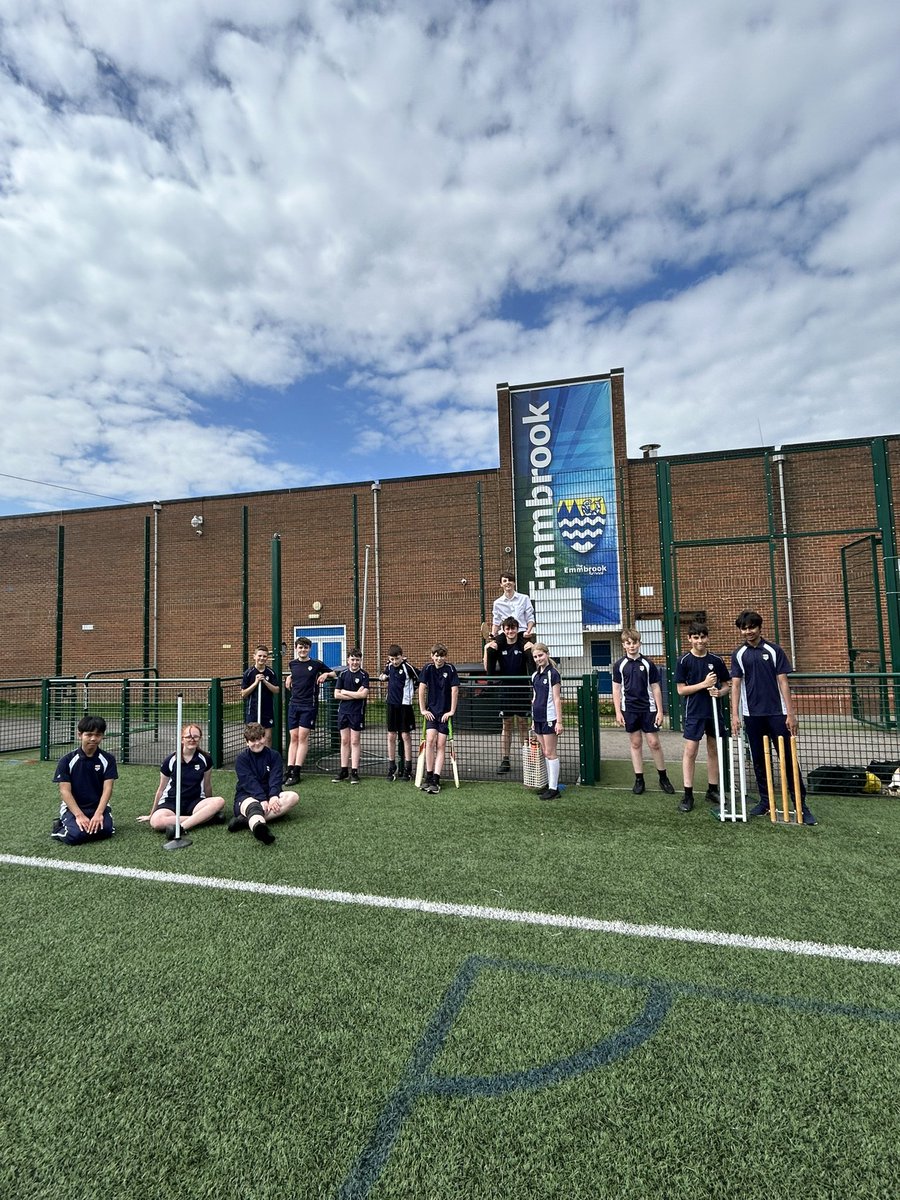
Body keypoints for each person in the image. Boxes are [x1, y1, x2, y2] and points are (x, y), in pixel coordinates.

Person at [730, 610, 816, 825]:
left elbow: (783, 682)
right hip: (752, 716)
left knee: (787, 759)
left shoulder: (774, 650)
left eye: (752, 627)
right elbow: (736, 685)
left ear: (760, 627)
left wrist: (791, 713)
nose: (748, 631)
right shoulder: (739, 654)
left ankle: (800, 805)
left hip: (778, 714)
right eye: (744, 628)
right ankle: (766, 801)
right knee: (759, 760)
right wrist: (734, 715)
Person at [674, 620, 730, 812]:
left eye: (703, 637)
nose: (700, 641)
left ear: (707, 637)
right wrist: (703, 684)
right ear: (689, 639)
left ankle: (712, 789)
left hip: (713, 712)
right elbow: (681, 690)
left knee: (713, 749)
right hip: (694, 712)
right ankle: (688, 794)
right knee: (691, 751)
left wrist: (720, 692)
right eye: (696, 637)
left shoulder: (716, 660)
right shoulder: (684, 661)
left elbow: (727, 685)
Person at [612, 628, 675, 795]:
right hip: (629, 709)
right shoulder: (619, 665)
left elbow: (655, 687)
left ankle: (663, 777)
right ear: (624, 645)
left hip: (649, 709)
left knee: (654, 742)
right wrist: (618, 711)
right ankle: (639, 779)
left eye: (634, 642)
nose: (632, 646)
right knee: (635, 743)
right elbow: (616, 689)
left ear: (639, 643)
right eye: (628, 643)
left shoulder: (648, 664)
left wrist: (660, 711)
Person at [138, 723, 226, 836]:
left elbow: (207, 785)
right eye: (188, 737)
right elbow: (161, 789)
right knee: (156, 821)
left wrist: (210, 808)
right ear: (182, 739)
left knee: (219, 801)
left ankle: (182, 827)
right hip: (171, 802)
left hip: (195, 802)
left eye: (195, 736)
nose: (192, 739)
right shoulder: (170, 760)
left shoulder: (205, 759)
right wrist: (151, 814)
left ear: (200, 738)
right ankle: (204, 819)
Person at [51, 714, 117, 845]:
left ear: (102, 736)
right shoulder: (67, 760)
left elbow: (108, 788)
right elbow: (65, 791)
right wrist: (79, 816)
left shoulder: (108, 759)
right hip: (73, 808)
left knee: (107, 831)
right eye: (89, 734)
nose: (93, 738)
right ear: (80, 735)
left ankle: (96, 821)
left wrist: (99, 814)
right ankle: (58, 827)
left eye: (98, 735)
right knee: (75, 836)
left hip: (97, 807)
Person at [228, 722, 300, 843]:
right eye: (252, 740)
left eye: (259, 738)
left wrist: (273, 796)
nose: (257, 743)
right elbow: (249, 782)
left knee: (293, 797)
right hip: (246, 796)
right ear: (247, 742)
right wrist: (261, 799)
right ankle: (259, 829)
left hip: (269, 795)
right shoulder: (242, 758)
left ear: (264, 737)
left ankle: (245, 821)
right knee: (253, 805)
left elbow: (275, 778)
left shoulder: (274, 755)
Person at [484, 616, 534, 773]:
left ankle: (528, 759)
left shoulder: (523, 645)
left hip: (522, 690)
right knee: (506, 725)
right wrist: (487, 649)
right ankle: (505, 760)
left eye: (513, 628)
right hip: (506, 690)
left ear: (517, 629)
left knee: (523, 724)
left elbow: (534, 662)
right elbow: (488, 667)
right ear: (504, 630)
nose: (511, 631)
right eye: (508, 628)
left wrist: (531, 649)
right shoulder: (499, 645)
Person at [284, 636, 336, 785]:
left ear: (309, 649)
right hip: (294, 704)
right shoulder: (292, 664)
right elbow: (296, 675)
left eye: (305, 647)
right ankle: (289, 769)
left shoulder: (316, 664)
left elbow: (334, 673)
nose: (303, 650)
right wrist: (289, 676)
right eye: (300, 647)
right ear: (296, 649)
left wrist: (326, 674)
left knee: (302, 737)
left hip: (309, 705)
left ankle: (297, 772)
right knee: (293, 737)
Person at [417, 644, 459, 795]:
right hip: (432, 713)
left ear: (445, 657)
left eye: (442, 656)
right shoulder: (427, 669)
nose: (439, 658)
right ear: (432, 655)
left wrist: (451, 711)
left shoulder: (450, 669)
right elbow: (421, 688)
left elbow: (455, 690)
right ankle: (428, 776)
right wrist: (423, 709)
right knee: (430, 741)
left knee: (441, 745)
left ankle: (436, 779)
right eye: (436, 655)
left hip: (445, 714)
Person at [378, 644, 418, 781]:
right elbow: (384, 674)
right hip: (391, 705)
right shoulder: (389, 666)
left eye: (397, 658)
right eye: (392, 659)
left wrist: (412, 692)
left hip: (405, 706)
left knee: (405, 736)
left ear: (401, 656)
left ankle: (408, 768)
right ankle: (391, 767)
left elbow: (420, 679)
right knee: (391, 736)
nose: (394, 661)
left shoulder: (408, 668)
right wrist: (383, 676)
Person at [530, 642, 563, 800]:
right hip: (538, 718)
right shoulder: (535, 675)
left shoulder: (553, 674)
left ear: (547, 654)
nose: (538, 659)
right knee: (545, 752)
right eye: (535, 657)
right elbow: (534, 698)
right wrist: (532, 719)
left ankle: (554, 788)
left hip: (550, 718)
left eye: (540, 655)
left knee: (551, 752)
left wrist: (559, 721)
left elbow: (557, 699)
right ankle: (549, 785)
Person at [332, 649, 370, 784]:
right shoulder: (342, 675)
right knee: (344, 741)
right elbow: (336, 694)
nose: (354, 662)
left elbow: (363, 695)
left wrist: (346, 692)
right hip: (343, 711)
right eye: (352, 659)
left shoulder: (364, 675)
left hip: (356, 712)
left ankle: (354, 771)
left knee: (355, 741)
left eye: (357, 660)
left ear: (360, 661)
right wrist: (355, 694)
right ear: (348, 660)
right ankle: (343, 770)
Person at [240, 645, 280, 745]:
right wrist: (255, 683)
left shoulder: (270, 672)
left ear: (267, 658)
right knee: (251, 737)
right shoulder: (248, 673)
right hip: (253, 710)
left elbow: (276, 690)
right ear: (254, 656)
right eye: (260, 656)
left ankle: (266, 760)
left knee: (267, 738)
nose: (262, 658)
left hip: (267, 710)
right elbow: (243, 693)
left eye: (264, 656)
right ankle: (252, 759)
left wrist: (265, 682)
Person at [491, 573, 536, 640]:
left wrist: (528, 631)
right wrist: (493, 634)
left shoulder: (524, 598)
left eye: (510, 580)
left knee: (529, 648)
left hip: (522, 632)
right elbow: (496, 622)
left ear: (514, 583)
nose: (508, 582)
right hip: (505, 634)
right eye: (505, 581)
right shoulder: (497, 603)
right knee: (489, 648)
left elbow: (530, 617)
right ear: (501, 584)